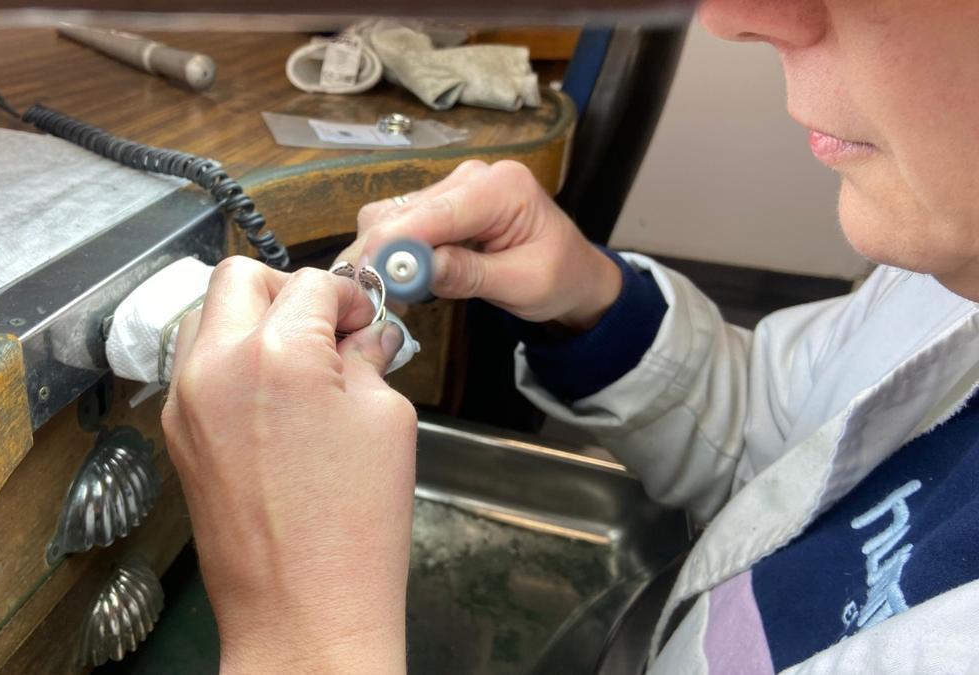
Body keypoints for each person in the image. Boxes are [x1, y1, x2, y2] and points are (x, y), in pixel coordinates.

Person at [161, 1, 979, 672]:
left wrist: (299, 636)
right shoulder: (946, 290)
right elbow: (802, 442)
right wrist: (591, 299)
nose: (728, 17)